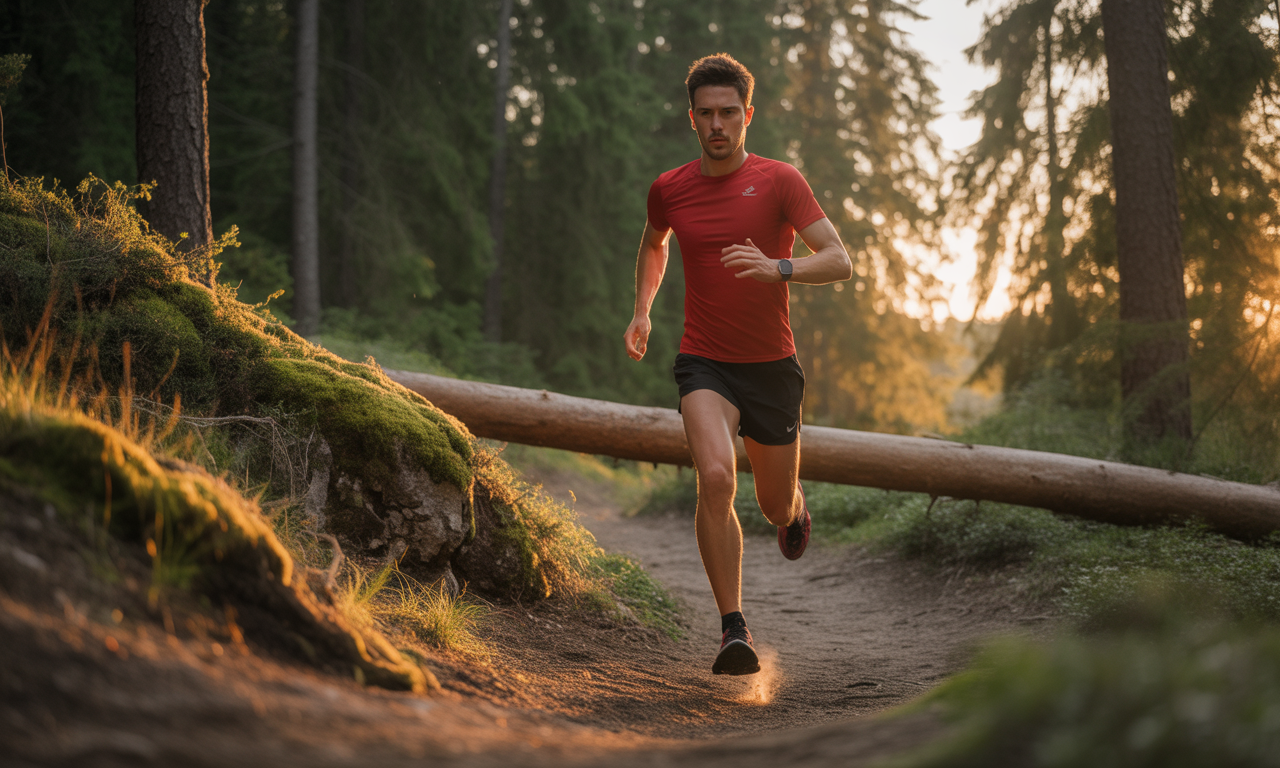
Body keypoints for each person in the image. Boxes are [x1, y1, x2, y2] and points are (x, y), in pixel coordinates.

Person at [623, 53, 852, 676]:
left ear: (748, 115)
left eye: (729, 112)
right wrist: (643, 310)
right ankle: (733, 630)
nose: (717, 124)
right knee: (717, 478)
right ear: (691, 119)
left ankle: (794, 506)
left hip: (772, 367)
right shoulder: (669, 188)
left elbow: (839, 259)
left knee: (773, 505)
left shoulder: (780, 181)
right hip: (705, 362)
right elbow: (653, 241)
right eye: (706, 114)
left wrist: (779, 266)